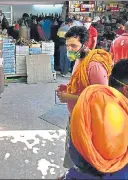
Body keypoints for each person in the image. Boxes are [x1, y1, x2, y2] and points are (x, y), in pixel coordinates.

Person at [56, 26, 113, 171]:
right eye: (67, 45)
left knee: (83, 156)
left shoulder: (94, 65)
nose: (69, 49)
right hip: (75, 115)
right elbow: (81, 84)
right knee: (72, 150)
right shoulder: (79, 60)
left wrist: (71, 97)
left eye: (73, 45)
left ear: (85, 44)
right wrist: (67, 87)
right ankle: (71, 174)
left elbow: (101, 97)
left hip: (88, 120)